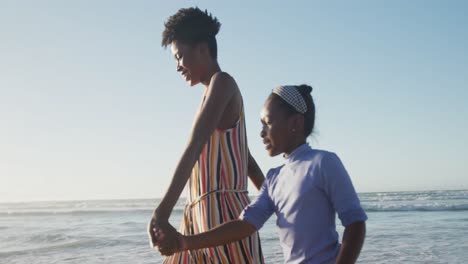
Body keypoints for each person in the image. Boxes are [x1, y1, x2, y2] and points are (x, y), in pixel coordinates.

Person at [156, 84, 367, 264]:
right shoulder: (274, 178)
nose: (261, 132)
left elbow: (355, 224)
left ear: (295, 123)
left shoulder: (323, 163)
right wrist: (185, 242)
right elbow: (244, 225)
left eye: (268, 122)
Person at [147, 7, 265, 263]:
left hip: (224, 218)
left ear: (202, 48)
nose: (178, 66)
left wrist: (162, 211)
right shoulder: (210, 94)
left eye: (179, 56)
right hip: (199, 217)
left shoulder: (222, 83)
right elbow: (244, 156)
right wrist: (269, 194)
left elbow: (195, 144)